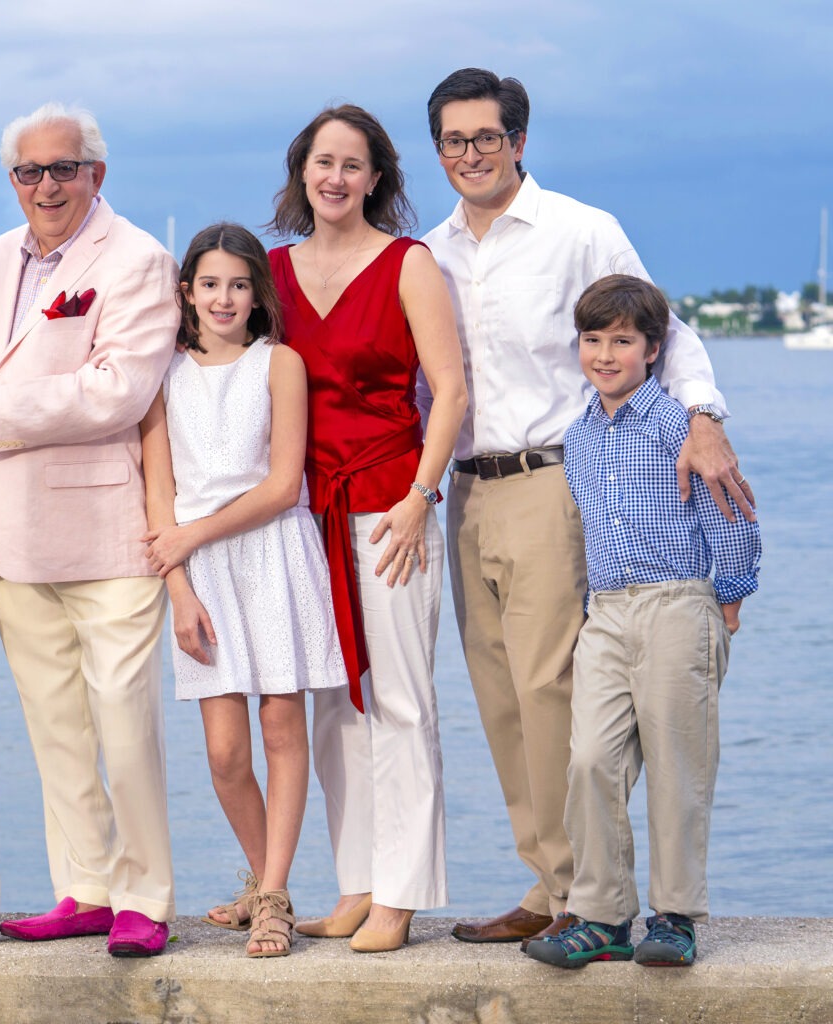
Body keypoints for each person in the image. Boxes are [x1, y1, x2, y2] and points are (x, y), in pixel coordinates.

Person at [420, 68, 753, 948]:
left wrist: (704, 421)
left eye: (486, 136)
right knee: (498, 697)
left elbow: (665, 329)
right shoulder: (432, 252)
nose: (471, 154)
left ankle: (586, 897)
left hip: (552, 480)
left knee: (551, 692)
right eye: (453, 140)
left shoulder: (580, 230)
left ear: (519, 141)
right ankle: (549, 881)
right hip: (465, 491)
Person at [0, 102, 180, 958]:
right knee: (54, 724)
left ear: (95, 175)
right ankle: (86, 886)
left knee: (124, 720)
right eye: (29, 172)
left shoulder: (141, 259)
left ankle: (146, 896)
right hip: (11, 536)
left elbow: (120, 388)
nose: (46, 185)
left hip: (108, 532)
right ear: (12, 182)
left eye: (63, 169)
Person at [266, 104, 468, 953]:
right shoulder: (269, 270)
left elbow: (451, 393)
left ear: (377, 176)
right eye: (323, 162)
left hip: (392, 505)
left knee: (399, 697)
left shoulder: (407, 265)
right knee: (331, 704)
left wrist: (423, 496)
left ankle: (403, 891)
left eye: (353, 164)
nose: (336, 178)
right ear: (302, 171)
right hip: (303, 512)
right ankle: (354, 883)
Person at [525, 275, 759, 969]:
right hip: (608, 611)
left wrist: (728, 596)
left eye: (622, 341)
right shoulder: (580, 436)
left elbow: (733, 511)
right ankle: (600, 915)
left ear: (654, 349)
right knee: (591, 758)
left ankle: (676, 916)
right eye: (593, 340)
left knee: (678, 765)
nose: (605, 354)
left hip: (677, 603)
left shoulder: (677, 424)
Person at [139, 223, 349, 958]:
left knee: (281, 730)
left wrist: (191, 538)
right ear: (187, 293)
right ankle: (268, 885)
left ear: (259, 293)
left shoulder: (278, 363)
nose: (224, 297)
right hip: (200, 573)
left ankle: (272, 897)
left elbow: (283, 483)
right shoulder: (163, 374)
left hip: (273, 553)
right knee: (226, 753)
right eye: (209, 284)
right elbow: (159, 490)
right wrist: (178, 584)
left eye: (238, 284)